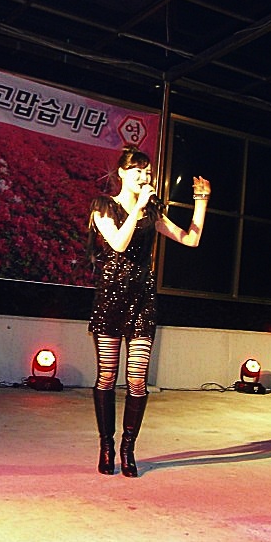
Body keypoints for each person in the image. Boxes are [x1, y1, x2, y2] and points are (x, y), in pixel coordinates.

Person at [87, 145, 210, 477]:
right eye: (138, 171)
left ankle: (128, 449)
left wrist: (201, 202)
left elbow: (189, 239)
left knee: (137, 379)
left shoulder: (152, 212)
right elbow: (118, 243)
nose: (144, 177)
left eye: (148, 172)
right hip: (111, 298)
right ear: (122, 173)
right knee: (107, 376)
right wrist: (138, 208)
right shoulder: (103, 206)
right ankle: (106, 445)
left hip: (142, 299)